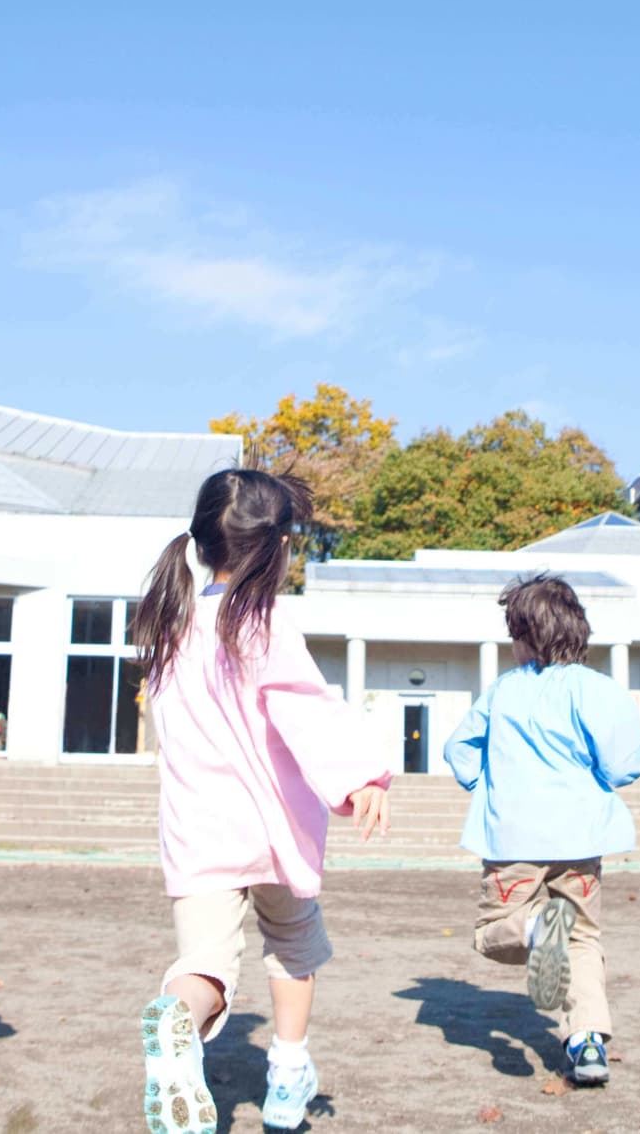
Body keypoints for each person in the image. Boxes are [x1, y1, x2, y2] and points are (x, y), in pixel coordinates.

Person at [130, 468, 393, 1134]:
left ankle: (177, 1019)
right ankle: (286, 1074)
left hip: (198, 829)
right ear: (276, 550)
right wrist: (360, 776)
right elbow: (305, 709)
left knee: (204, 968)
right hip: (271, 827)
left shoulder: (169, 626)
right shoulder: (265, 623)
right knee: (293, 944)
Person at [444, 573, 640, 1087]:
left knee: (494, 934)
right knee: (582, 938)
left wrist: (486, 784)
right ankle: (586, 1041)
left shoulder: (504, 691)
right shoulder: (599, 690)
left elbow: (459, 750)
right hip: (581, 841)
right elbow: (624, 765)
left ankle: (534, 929)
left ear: (527, 639)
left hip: (512, 840)